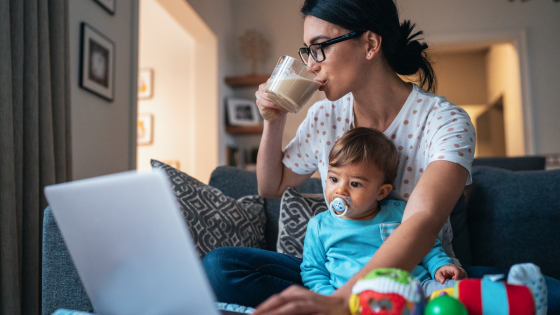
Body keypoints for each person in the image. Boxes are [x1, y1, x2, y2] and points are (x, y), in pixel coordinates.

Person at [202, 0, 560, 314]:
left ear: (370, 44)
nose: (312, 65)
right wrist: (274, 122)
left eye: (320, 47)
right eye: (307, 51)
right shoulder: (324, 117)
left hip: (418, 277)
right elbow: (271, 186)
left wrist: (343, 301)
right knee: (221, 267)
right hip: (336, 275)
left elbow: (420, 222)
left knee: (550, 292)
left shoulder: (444, 122)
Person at [301, 127, 466, 297]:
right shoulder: (319, 226)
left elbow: (426, 247)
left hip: (415, 289)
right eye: (334, 179)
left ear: (381, 192)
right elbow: (314, 273)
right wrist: (330, 299)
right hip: (355, 300)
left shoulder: (400, 212)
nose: (340, 190)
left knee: (456, 291)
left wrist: (440, 266)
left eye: (355, 184)